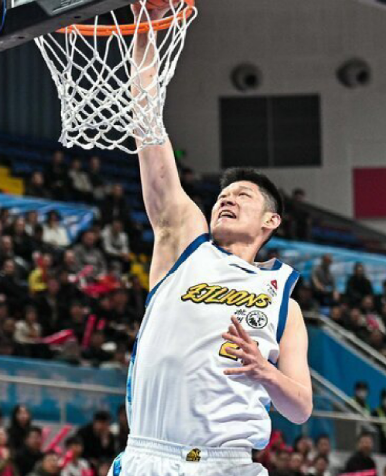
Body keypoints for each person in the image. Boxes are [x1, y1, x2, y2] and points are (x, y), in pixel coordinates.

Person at [108, 8, 312, 475]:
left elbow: (300, 408)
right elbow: (149, 129)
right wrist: (144, 32)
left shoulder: (285, 301)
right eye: (222, 195)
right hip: (151, 458)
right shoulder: (185, 244)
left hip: (229, 464)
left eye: (242, 195)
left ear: (271, 220)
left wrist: (265, 371)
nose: (226, 199)